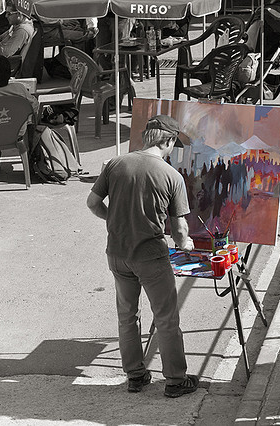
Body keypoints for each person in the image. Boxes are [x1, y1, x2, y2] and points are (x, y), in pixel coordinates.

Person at [86, 115, 199, 398]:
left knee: (127, 316)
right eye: (173, 145)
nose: (172, 150)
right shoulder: (171, 176)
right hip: (150, 257)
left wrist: (114, 219)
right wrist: (185, 244)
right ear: (168, 140)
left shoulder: (115, 164)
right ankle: (176, 380)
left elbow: (92, 203)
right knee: (166, 319)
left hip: (117, 254)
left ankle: (135, 376)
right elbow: (180, 229)